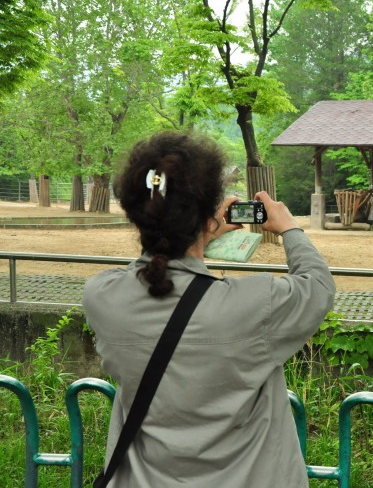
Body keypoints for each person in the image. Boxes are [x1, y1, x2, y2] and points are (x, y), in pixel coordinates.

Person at [83, 131, 335, 487]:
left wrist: (197, 233)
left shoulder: (101, 296)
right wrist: (289, 229)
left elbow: (147, 270)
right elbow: (318, 286)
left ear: (134, 213)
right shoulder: (256, 304)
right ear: (206, 216)